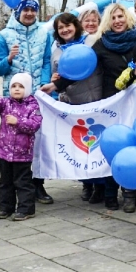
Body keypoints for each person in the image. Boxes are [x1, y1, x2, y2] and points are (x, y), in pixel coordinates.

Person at [92, 3, 136, 212]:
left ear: (127, 18)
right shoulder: (100, 45)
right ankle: (128, 191)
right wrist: (58, 82)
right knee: (122, 145)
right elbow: (84, 70)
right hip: (115, 105)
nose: (117, 21)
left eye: (121, 16)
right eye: (113, 18)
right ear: (107, 22)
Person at [0, 0, 56, 205]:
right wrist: (9, 58)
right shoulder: (4, 35)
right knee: (16, 140)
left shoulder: (44, 33)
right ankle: (14, 186)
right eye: (25, 9)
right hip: (14, 98)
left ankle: (37, 185)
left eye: (33, 9)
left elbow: (47, 60)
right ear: (18, 11)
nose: (29, 13)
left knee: (39, 141)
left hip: (38, 95)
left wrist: (44, 84)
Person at [49, 12, 104, 203]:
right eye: (60, 28)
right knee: (82, 148)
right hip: (75, 104)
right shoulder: (56, 51)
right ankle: (87, 184)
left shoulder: (91, 42)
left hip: (98, 99)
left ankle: (101, 185)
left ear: (76, 25)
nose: (65, 30)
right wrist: (56, 85)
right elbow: (56, 75)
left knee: (99, 145)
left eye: (68, 25)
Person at [0, 71, 42, 221]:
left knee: (23, 182)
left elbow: (34, 125)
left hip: (22, 154)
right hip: (4, 152)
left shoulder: (33, 105)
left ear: (28, 89)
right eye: (14, 86)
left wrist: (18, 122)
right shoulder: (6, 103)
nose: (16, 89)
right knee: (5, 182)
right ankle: (6, 208)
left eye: (21, 86)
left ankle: (26, 209)